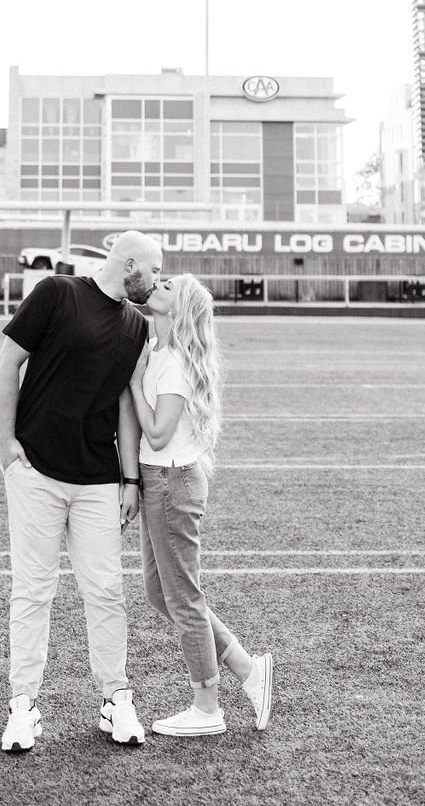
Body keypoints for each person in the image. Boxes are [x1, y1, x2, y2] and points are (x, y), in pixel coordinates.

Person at [0, 230, 164, 754]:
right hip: (36, 471)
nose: (157, 281)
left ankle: (116, 698)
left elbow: (125, 408)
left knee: (106, 592)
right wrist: (6, 444)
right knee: (33, 590)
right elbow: (8, 362)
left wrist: (130, 478)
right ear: (130, 263)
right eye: (154, 270)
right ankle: (23, 706)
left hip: (98, 479)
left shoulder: (137, 325)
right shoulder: (55, 292)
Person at [127, 273, 273, 737]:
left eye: (167, 287)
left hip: (172, 483)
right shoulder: (158, 350)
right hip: (158, 481)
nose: (156, 286)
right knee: (158, 593)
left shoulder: (172, 364)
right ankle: (249, 669)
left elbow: (157, 432)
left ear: (179, 309)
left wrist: (131, 383)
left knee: (185, 598)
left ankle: (207, 705)